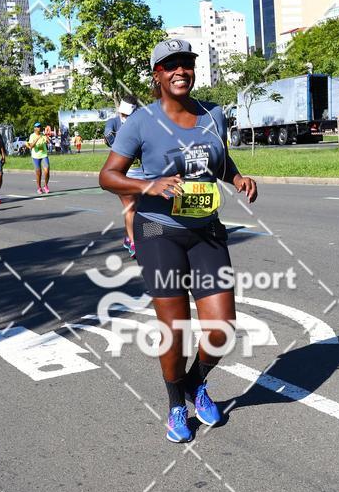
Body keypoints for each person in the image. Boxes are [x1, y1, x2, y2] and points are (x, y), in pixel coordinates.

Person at [99, 38, 257, 443]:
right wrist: (149, 185)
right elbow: (108, 175)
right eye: (170, 66)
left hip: (206, 229)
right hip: (157, 231)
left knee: (221, 329)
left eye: (186, 63)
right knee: (177, 329)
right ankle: (175, 407)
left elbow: (220, 161)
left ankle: (195, 383)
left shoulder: (213, 114)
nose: (180, 71)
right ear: (157, 75)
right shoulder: (141, 122)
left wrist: (237, 177)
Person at [104, 100, 139, 257]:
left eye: (128, 115)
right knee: (130, 208)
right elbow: (108, 135)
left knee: (145, 209)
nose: (125, 117)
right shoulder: (113, 122)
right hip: (123, 172)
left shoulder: (141, 120)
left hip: (144, 172)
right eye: (123, 114)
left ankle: (134, 237)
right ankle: (133, 243)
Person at [28, 122, 50, 194]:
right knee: (38, 173)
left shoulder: (43, 135)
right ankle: (39, 187)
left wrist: (47, 139)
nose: (39, 128)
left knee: (47, 171)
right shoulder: (32, 136)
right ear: (34, 128)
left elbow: (49, 142)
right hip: (36, 156)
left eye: (40, 127)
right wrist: (37, 139)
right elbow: (31, 146)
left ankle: (45, 186)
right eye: (37, 127)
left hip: (44, 155)